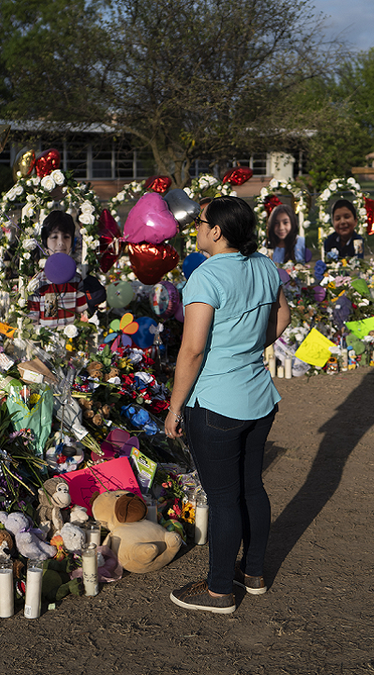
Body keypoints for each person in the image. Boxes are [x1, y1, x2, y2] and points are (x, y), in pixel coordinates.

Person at [163, 195, 290, 615]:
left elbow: (193, 350)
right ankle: (252, 573)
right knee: (251, 486)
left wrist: (174, 406)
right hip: (258, 394)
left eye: (200, 222)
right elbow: (283, 320)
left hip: (216, 401)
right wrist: (249, 348)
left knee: (222, 499)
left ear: (215, 230)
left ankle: (219, 590)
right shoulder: (266, 266)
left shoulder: (205, 275)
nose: (196, 227)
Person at [26, 211, 105, 327]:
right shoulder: (39, 281)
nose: (61, 243)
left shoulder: (77, 280)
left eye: (66, 237)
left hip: (71, 341)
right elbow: (32, 320)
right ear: (44, 243)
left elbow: (83, 312)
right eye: (54, 237)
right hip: (48, 340)